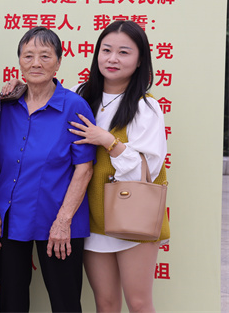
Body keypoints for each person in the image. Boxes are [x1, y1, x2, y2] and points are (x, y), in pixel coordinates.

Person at [0, 26, 95, 313]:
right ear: (19, 62)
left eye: (45, 56)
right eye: (28, 56)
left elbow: (84, 169)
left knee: (65, 304)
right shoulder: (6, 105)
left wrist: (63, 220)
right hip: (9, 219)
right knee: (11, 302)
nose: (36, 63)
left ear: (58, 62)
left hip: (58, 220)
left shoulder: (74, 106)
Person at [68, 20, 169, 312]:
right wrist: (18, 87)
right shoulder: (80, 94)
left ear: (140, 61)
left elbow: (145, 171)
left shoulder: (145, 107)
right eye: (106, 50)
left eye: (124, 52)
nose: (112, 58)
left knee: (138, 303)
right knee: (106, 303)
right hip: (92, 218)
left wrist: (108, 141)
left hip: (134, 218)